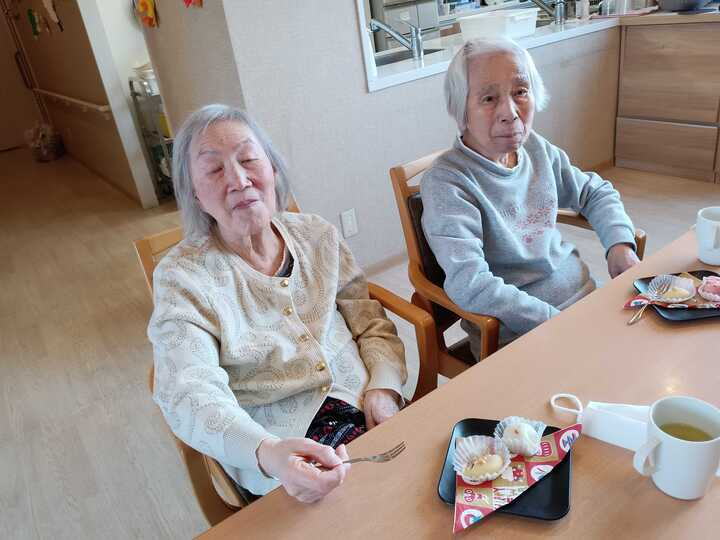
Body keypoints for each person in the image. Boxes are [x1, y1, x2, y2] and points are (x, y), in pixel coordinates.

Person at [148, 104, 407, 503]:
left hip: (367, 405)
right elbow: (188, 392)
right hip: (282, 451)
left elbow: (369, 321)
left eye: (249, 159)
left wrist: (384, 387)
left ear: (272, 168)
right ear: (195, 194)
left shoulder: (317, 234)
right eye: (214, 169)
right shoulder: (182, 278)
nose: (239, 180)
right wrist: (266, 453)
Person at [420, 38, 639, 357]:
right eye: (489, 98)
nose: (510, 113)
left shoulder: (536, 149)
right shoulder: (447, 183)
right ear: (460, 110)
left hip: (586, 303)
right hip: (521, 336)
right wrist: (557, 322)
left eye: (520, 92)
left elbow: (595, 191)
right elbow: (470, 284)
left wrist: (620, 245)